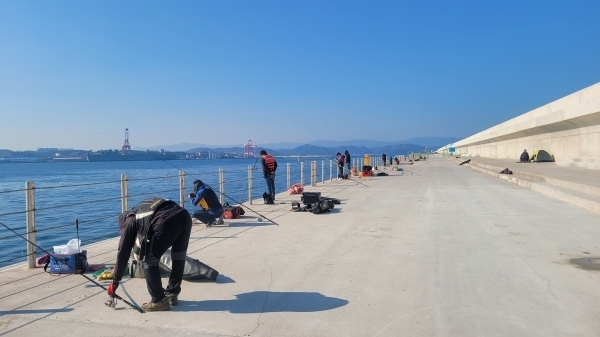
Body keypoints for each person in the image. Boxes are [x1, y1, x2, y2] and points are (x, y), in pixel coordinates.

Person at [107, 197, 192, 312]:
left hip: (166, 221)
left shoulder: (128, 222)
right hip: (184, 216)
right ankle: (172, 293)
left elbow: (123, 253)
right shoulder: (140, 209)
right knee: (178, 257)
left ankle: (158, 300)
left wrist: (115, 281)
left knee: (149, 260)